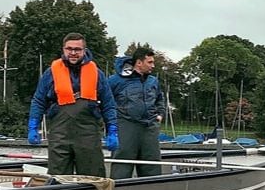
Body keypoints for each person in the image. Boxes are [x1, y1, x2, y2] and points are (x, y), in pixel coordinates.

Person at [28, 33, 118, 177]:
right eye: (69, 49)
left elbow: (108, 105)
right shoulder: (51, 73)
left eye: (77, 49)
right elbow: (38, 101)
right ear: (63, 49)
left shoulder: (97, 73)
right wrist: (33, 126)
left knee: (93, 177)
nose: (73, 53)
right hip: (59, 134)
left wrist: (112, 130)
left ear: (84, 50)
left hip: (88, 134)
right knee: (58, 177)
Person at [107, 47, 165, 178]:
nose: (153, 66)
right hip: (125, 126)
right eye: (149, 62)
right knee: (122, 166)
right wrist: (110, 123)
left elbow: (160, 99)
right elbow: (105, 101)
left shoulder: (153, 81)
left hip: (150, 127)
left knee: (152, 166)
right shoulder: (115, 80)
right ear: (139, 62)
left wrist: (160, 114)